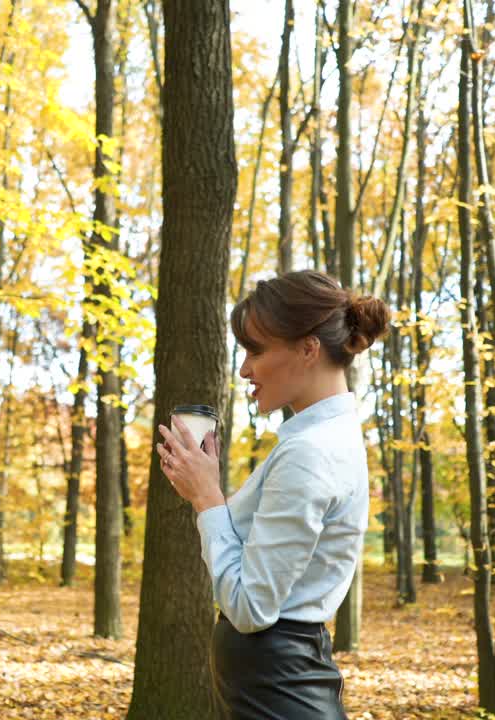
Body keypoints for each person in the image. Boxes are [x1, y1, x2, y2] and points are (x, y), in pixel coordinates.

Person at [156, 269, 390, 720]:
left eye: (255, 351)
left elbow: (250, 607)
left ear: (308, 349)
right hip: (276, 688)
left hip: (280, 694)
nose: (244, 369)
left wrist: (207, 498)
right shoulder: (318, 437)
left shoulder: (310, 452)